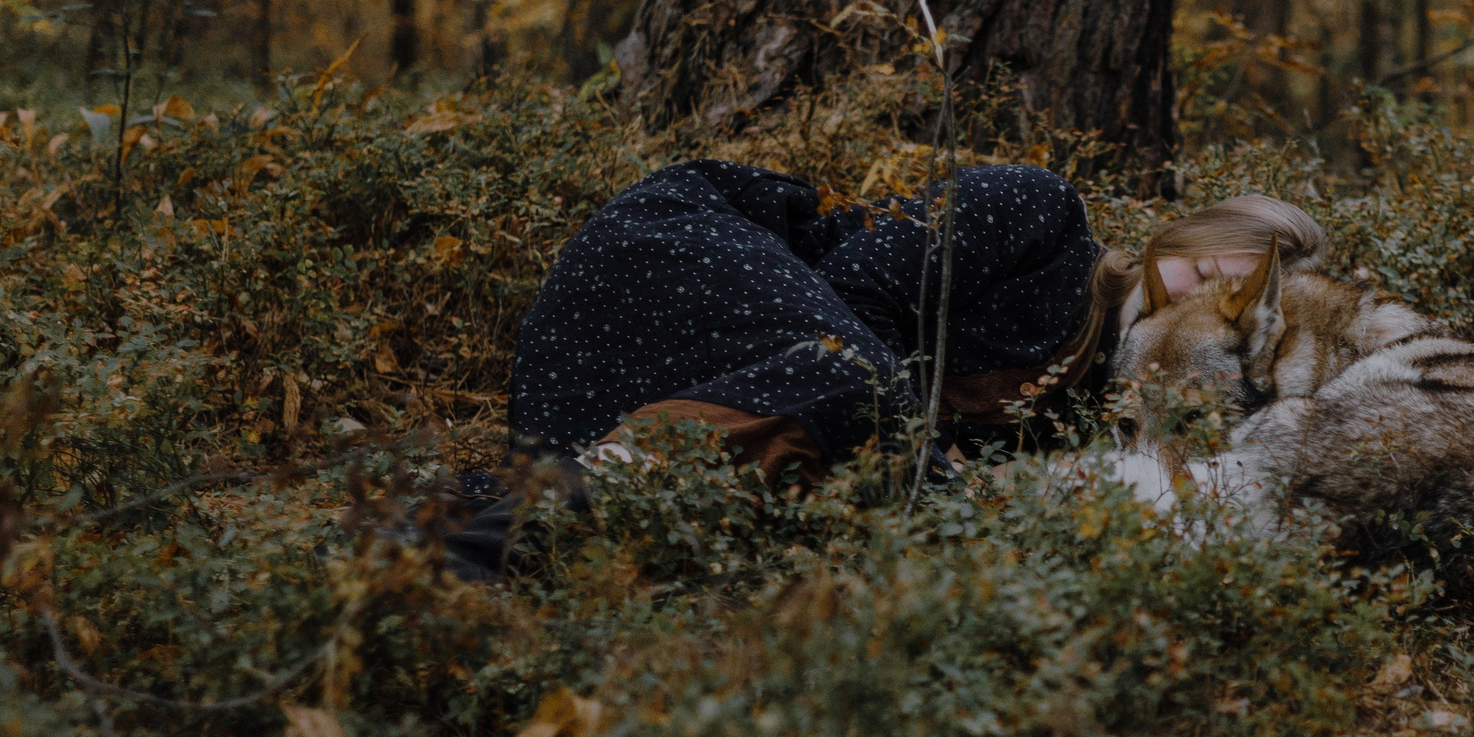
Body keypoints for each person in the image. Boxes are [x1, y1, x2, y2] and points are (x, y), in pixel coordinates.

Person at [439, 158, 1321, 581]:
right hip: (679, 267)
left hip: (721, 395)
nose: (1218, 286)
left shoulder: (1090, 414)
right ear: (1186, 232)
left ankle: (546, 526)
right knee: (858, 385)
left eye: (1240, 295)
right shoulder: (1044, 219)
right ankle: (481, 557)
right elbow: (852, 287)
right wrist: (924, 451)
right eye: (1215, 261)